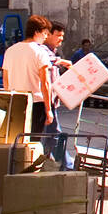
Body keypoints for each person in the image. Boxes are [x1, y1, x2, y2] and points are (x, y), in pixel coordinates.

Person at [1, 14, 54, 142]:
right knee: (33, 142)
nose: (46, 37)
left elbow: (5, 80)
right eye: (45, 33)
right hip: (36, 102)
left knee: (16, 140)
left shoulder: (10, 51)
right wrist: (48, 109)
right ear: (37, 32)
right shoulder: (40, 52)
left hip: (15, 101)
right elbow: (45, 83)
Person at [43, 21, 74, 169]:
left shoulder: (53, 53)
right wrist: (62, 62)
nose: (61, 39)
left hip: (52, 101)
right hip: (44, 101)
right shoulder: (43, 51)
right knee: (55, 134)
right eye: (58, 35)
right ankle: (67, 166)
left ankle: (58, 164)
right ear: (48, 35)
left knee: (52, 135)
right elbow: (45, 61)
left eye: (62, 36)